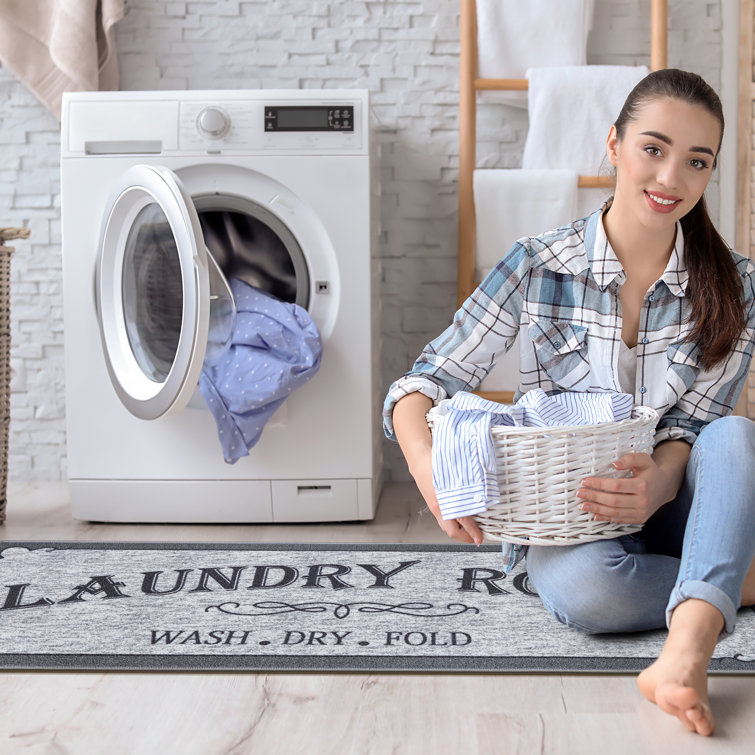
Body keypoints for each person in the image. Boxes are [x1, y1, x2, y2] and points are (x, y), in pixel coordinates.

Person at [383, 68, 755, 737]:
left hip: (674, 503)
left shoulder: (737, 286)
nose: (670, 177)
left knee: (733, 437)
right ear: (613, 144)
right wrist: (428, 465)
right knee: (589, 591)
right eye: (653, 148)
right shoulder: (536, 266)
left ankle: (685, 653)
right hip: (570, 514)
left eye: (696, 161)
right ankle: (729, 573)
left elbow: (699, 426)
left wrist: (661, 481)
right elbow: (420, 383)